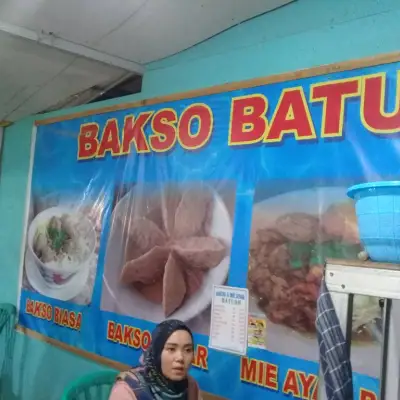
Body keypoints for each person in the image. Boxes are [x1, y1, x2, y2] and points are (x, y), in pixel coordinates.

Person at [109, 319, 202, 400]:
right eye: (171, 349)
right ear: (157, 352)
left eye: (188, 350)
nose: (180, 358)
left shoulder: (190, 386)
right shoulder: (129, 389)